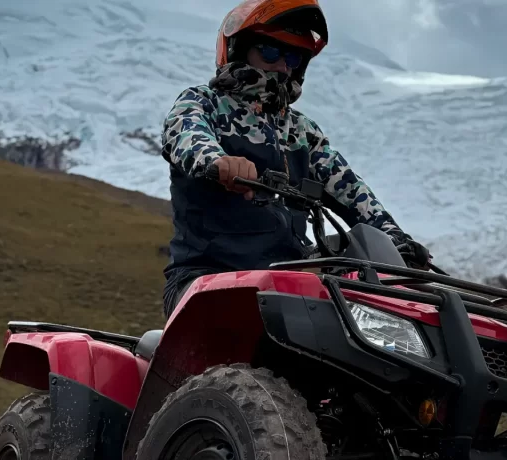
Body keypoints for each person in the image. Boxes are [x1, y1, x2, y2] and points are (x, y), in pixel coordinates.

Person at [159, 0, 430, 317]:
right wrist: (219, 162)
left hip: (290, 282)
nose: (282, 65)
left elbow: (352, 191)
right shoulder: (203, 102)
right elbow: (185, 134)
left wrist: (396, 239)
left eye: (293, 56)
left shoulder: (301, 131)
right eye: (270, 51)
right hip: (206, 280)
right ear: (237, 49)